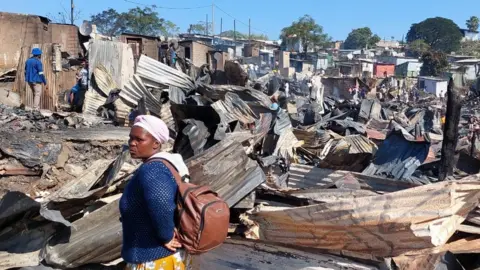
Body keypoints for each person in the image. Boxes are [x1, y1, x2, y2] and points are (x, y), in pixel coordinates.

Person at [120, 115, 192, 270]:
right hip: (157, 255)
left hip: (154, 258)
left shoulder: (154, 169)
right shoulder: (167, 164)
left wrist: (166, 236)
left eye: (139, 139)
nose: (132, 143)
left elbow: (161, 202)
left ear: (156, 143)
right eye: (131, 138)